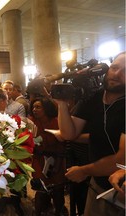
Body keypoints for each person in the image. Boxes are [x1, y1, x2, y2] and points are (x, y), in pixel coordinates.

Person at [55, 51, 125, 216]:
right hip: (98, 185)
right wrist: (62, 104)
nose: (117, 74)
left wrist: (84, 171)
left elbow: (122, 159)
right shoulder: (95, 96)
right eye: (114, 67)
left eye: (125, 71)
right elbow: (69, 133)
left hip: (121, 186)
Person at [29, 97, 67, 216]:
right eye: (33, 107)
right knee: (40, 189)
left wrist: (57, 165)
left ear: (46, 108)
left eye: (38, 107)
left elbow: (62, 146)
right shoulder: (32, 123)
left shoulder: (56, 122)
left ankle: (59, 212)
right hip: (39, 160)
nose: (35, 110)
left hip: (57, 160)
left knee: (57, 190)